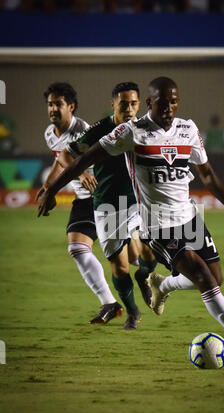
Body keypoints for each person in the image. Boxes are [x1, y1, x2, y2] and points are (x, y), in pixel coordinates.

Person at [37, 76, 224, 362]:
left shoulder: (188, 129)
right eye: (162, 102)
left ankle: (163, 285)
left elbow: (206, 173)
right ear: (150, 103)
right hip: (157, 224)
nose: (169, 107)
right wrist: (51, 190)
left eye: (173, 101)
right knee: (202, 277)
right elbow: (83, 160)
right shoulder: (131, 132)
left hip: (189, 217)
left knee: (215, 278)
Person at [55, 82, 157, 330]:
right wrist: (80, 175)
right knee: (121, 267)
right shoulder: (100, 129)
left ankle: (144, 276)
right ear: (113, 104)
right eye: (124, 104)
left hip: (136, 201)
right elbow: (65, 156)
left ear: (139, 104)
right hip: (107, 206)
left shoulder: (144, 127)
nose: (130, 109)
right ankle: (132, 312)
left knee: (149, 253)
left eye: (134, 103)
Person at [37, 82, 124, 325]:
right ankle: (109, 302)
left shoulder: (83, 130)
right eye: (50, 104)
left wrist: (82, 173)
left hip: (104, 195)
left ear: (71, 107)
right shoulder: (49, 133)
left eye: (59, 104)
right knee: (77, 248)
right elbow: (60, 159)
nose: (53, 108)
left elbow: (78, 158)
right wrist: (49, 186)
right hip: (84, 200)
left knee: (127, 255)